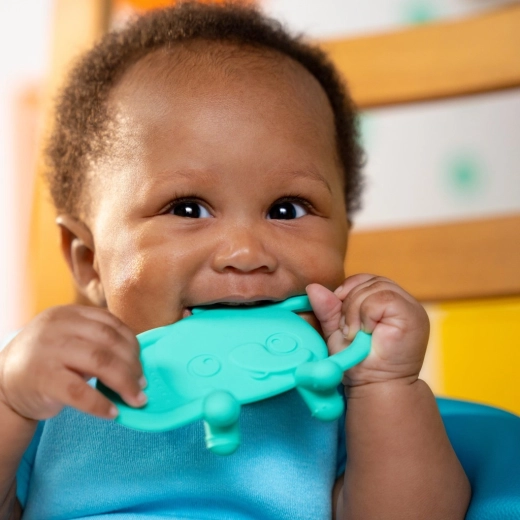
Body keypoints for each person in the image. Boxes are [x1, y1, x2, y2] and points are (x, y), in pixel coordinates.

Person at [0, 3, 470, 519]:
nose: (246, 254)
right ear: (90, 261)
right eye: (187, 209)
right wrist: (10, 406)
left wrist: (385, 387)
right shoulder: (48, 383)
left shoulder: (335, 393)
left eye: (287, 209)